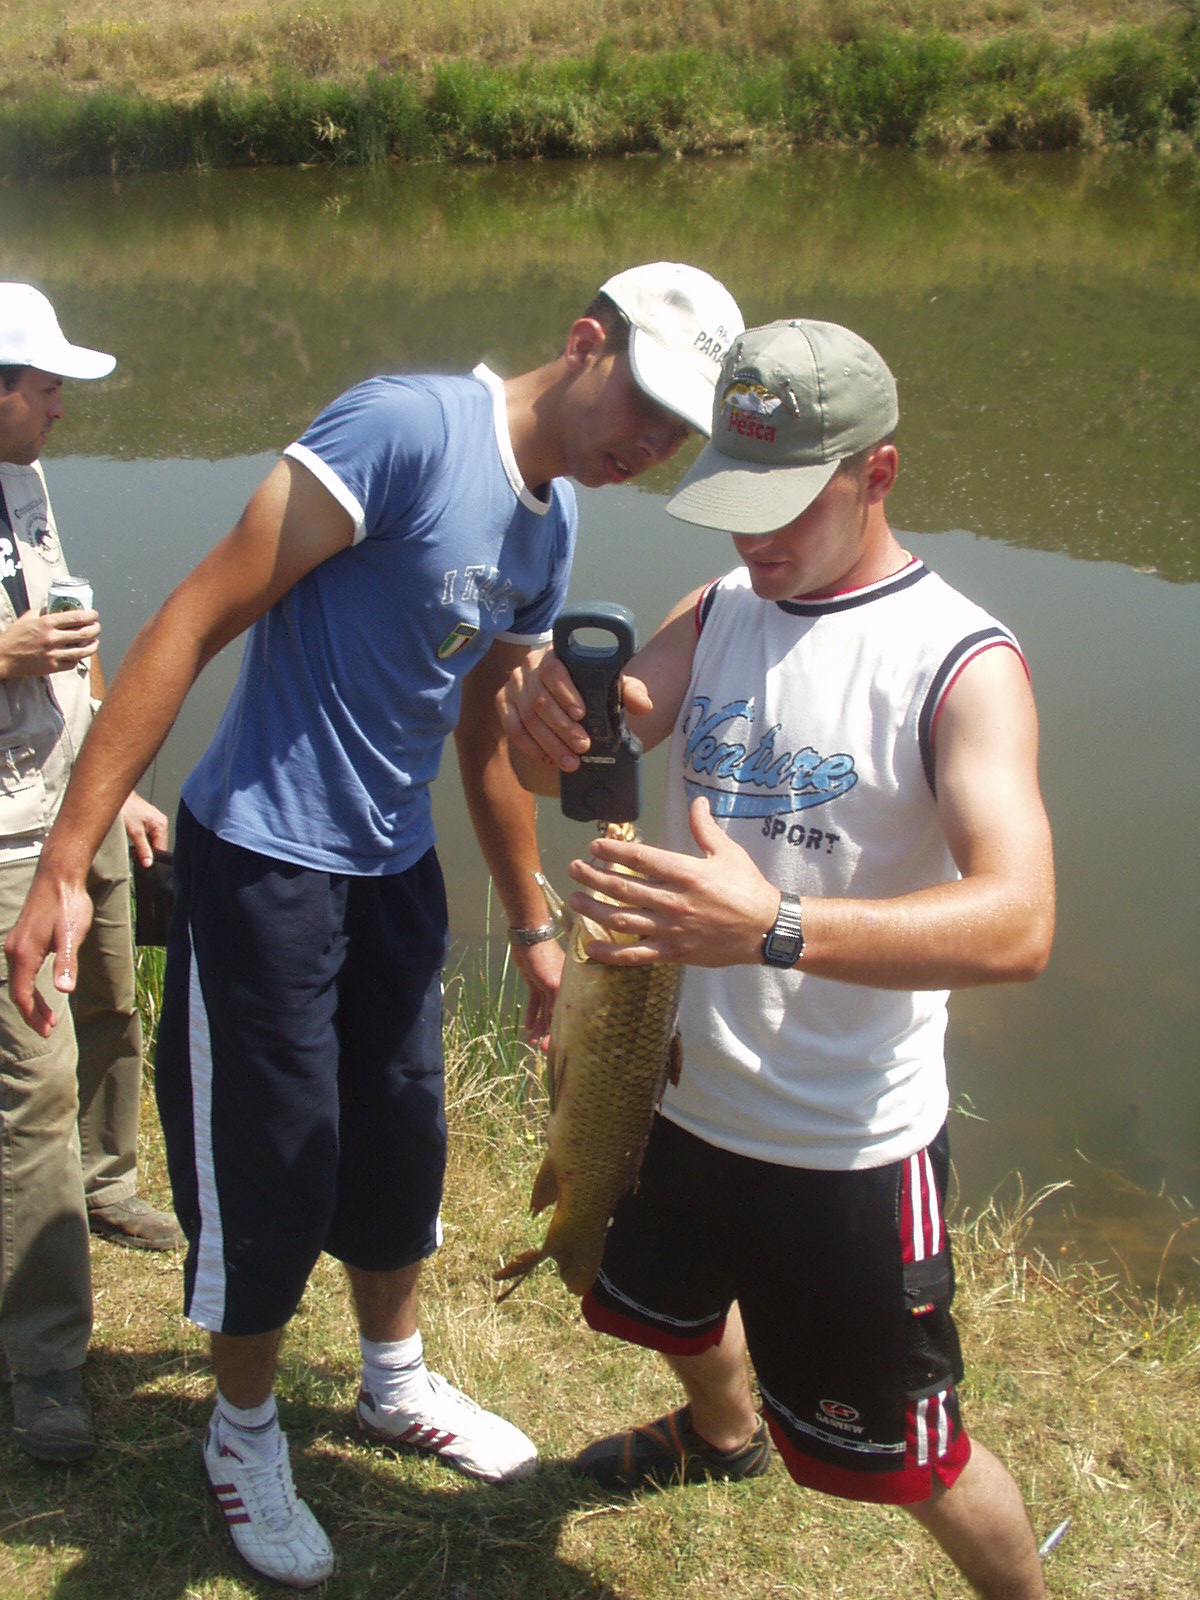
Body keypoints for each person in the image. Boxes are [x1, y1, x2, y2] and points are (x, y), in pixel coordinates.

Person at [5, 264, 744, 1585]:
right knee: (274, 1164)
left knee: (402, 1144)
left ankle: (389, 1380)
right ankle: (239, 1430)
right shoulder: (404, 429)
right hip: (267, 866)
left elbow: (481, 732)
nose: (654, 446)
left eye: (679, 432)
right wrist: (70, 854)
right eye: (645, 405)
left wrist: (530, 925)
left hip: (393, 872)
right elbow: (197, 612)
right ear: (584, 345)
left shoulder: (549, 528)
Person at [498, 319, 1055, 1600]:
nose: (758, 539)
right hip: (671, 1098)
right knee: (664, 1309)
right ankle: (721, 1431)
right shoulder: (726, 608)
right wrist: (550, 727)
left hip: (840, 1144)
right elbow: (586, 748)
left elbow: (1020, 920)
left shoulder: (959, 664)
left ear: (880, 473)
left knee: (914, 1454)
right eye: (739, 503)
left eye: (791, 504)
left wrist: (775, 927)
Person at [0, 283, 183, 1467]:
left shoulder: (23, 472)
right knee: (32, 1093)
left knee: (118, 1006)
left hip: (78, 800)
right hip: (6, 844)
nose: (62, 406)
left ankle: (110, 1186)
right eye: (45, 385)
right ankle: (45, 1358)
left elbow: (70, 613)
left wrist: (116, 763)